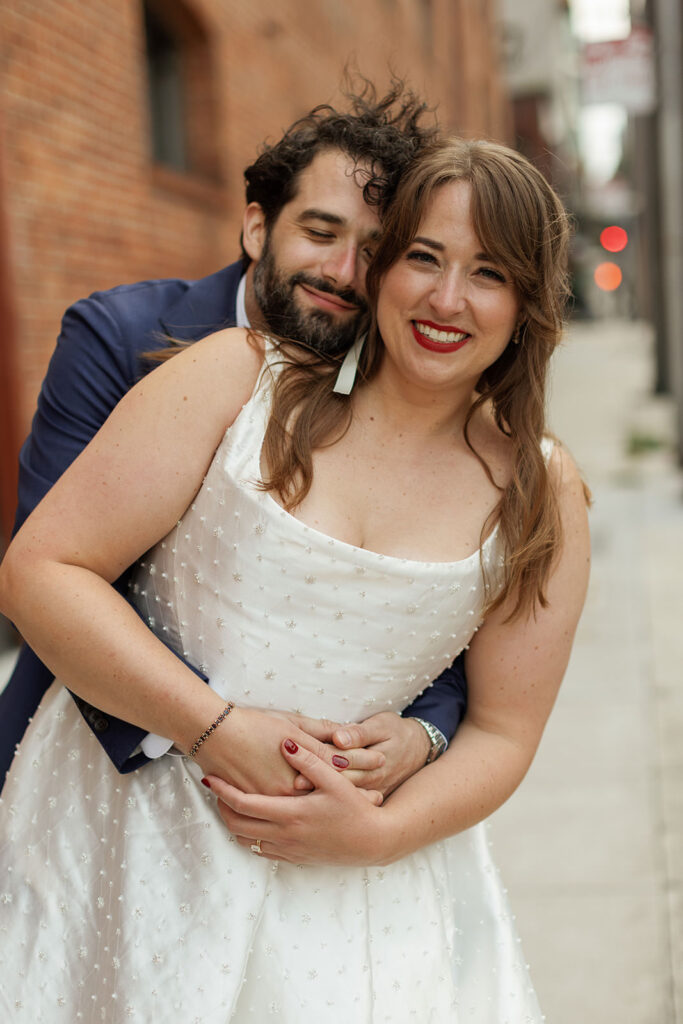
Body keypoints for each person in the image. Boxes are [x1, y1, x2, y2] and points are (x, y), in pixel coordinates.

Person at [0, 137, 590, 1020]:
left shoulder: (539, 490)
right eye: (422, 257)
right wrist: (212, 729)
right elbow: (42, 570)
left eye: (489, 274)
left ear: (529, 303)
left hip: (357, 895)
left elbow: (504, 731)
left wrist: (379, 833)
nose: (446, 299)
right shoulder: (237, 381)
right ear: (380, 268)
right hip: (121, 845)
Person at [0, 79, 467, 796]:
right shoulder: (118, 339)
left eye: (375, 252)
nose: (342, 273)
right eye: (320, 233)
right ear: (257, 228)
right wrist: (219, 733)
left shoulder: (395, 384)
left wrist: (422, 732)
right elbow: (53, 577)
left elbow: (437, 600)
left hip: (315, 792)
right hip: (89, 762)